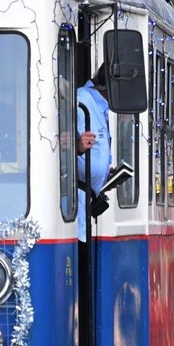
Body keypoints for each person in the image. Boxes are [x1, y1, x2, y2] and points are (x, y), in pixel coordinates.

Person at [76, 63, 113, 242]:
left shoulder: (100, 105)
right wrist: (78, 147)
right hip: (76, 200)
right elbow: (61, 143)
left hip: (88, 199)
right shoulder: (82, 101)